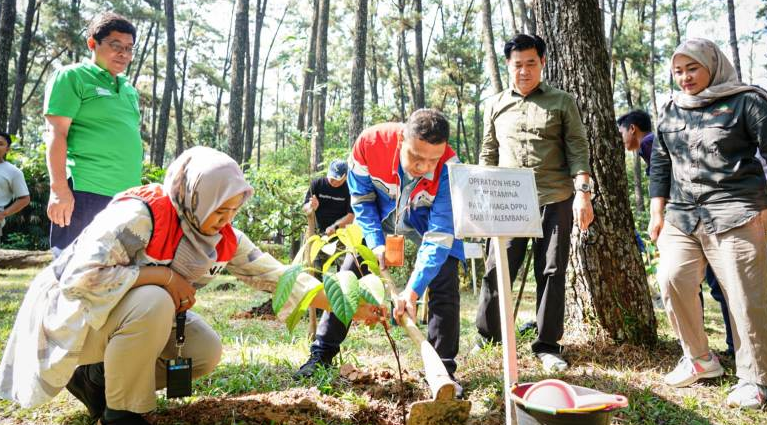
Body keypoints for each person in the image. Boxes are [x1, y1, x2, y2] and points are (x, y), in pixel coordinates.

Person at [0, 147, 380, 425]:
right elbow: (79, 279)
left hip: (116, 323)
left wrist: (346, 306)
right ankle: (123, 413)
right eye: (219, 208)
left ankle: (96, 381)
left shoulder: (219, 235)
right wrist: (164, 276)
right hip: (71, 317)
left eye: (233, 210)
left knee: (203, 349)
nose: (225, 219)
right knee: (154, 300)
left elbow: (278, 277)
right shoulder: (140, 215)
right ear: (195, 194)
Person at [295, 109, 465, 395]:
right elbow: (361, 200)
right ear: (401, 140)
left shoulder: (450, 167)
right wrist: (375, 241)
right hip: (379, 215)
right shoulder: (369, 144)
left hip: (424, 219)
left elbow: (439, 234)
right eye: (416, 157)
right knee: (350, 273)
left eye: (432, 160)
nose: (423, 166)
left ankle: (442, 372)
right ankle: (321, 352)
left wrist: (413, 290)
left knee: (445, 276)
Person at [649, 38, 767, 409]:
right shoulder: (670, 108)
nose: (685, 78)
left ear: (712, 66)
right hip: (683, 214)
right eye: (678, 71)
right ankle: (700, 359)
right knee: (671, 278)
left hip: (738, 211)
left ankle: (755, 378)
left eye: (692, 69)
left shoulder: (747, 100)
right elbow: (660, 163)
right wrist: (656, 212)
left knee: (745, 297)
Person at [474, 34, 594, 373]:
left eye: (531, 63)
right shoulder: (495, 103)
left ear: (542, 62)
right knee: (497, 269)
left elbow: (578, 150)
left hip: (554, 197)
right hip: (507, 200)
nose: (524, 71)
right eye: (517, 65)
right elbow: (488, 153)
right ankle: (489, 336)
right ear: (508, 67)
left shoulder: (562, 102)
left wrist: (583, 193)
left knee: (552, 271)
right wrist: (481, 194)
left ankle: (547, 345)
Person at [619, 110, 736, 357]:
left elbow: (669, 182)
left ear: (632, 129)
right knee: (701, 285)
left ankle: (730, 346)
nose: (620, 138)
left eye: (621, 131)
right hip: (690, 221)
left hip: (691, 222)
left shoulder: (650, 143)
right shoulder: (648, 147)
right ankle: (718, 345)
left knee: (712, 284)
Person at [44, 12, 143, 256]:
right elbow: (56, 133)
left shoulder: (128, 89)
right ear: (92, 43)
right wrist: (58, 190)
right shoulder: (72, 77)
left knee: (118, 275)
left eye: (129, 48)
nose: (124, 54)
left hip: (126, 197)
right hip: (83, 192)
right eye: (115, 45)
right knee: (72, 273)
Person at [303, 159, 355, 271]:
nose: (332, 181)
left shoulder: (349, 189)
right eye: (331, 176)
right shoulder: (317, 184)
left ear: (345, 177)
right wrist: (311, 206)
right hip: (318, 235)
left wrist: (335, 227)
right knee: (316, 270)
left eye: (337, 179)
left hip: (341, 236)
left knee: (344, 271)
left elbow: (351, 216)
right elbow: (305, 208)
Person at [0, 131, 30, 240]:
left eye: (0, 144)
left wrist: (4, 214)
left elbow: (24, 199)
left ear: (7, 149)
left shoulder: (13, 172)